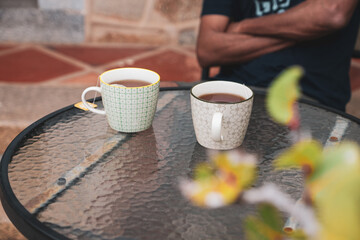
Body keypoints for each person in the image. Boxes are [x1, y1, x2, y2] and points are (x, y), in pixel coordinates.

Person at [196, 0, 360, 111]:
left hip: (307, 100)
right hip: (232, 90)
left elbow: (331, 14)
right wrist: (303, 28)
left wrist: (242, 27)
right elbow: (207, 49)